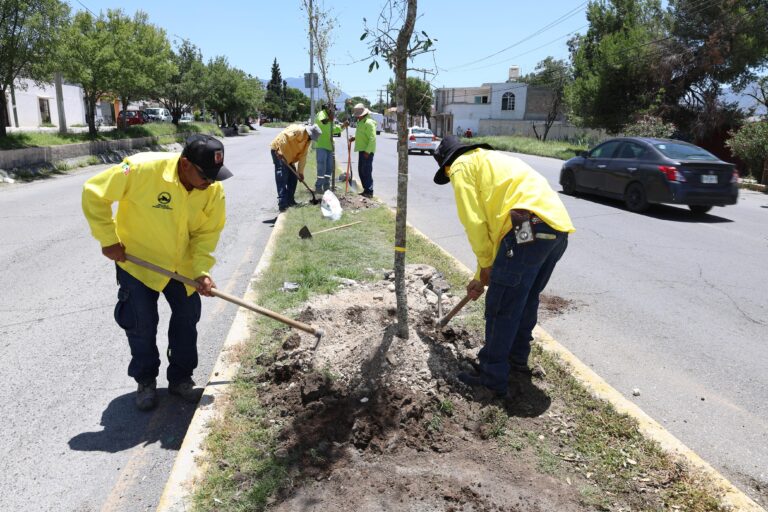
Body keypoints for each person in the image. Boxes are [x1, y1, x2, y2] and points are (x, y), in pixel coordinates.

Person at [82, 134, 233, 411]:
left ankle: (181, 379)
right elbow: (94, 193)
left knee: (187, 319)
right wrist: (108, 239)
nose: (210, 182)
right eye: (205, 175)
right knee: (141, 324)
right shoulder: (140, 169)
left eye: (214, 176)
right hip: (140, 264)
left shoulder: (212, 190)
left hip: (182, 268)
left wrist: (201, 271)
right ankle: (146, 380)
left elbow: (206, 234)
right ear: (185, 164)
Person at [432, 135, 575, 399]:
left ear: (446, 165)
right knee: (524, 296)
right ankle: (516, 360)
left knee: (502, 305)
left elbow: (475, 224)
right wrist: (482, 274)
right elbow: (497, 232)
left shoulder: (461, 166)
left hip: (527, 225)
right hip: (553, 228)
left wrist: (487, 268)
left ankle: (491, 379)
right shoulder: (493, 160)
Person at [270, 123, 321, 212]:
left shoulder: (307, 141)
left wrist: (300, 172)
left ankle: (290, 201)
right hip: (279, 151)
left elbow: (303, 156)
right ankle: (283, 204)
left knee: (293, 178)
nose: (310, 139)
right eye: (311, 137)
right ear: (308, 133)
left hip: (289, 156)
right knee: (282, 177)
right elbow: (283, 136)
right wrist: (279, 150)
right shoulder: (298, 130)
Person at [348, 103, 376, 198]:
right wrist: (354, 138)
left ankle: (369, 191)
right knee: (361, 171)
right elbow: (362, 134)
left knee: (366, 171)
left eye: (358, 116)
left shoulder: (369, 122)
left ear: (363, 114)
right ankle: (366, 190)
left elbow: (372, 138)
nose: (357, 117)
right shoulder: (361, 122)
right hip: (362, 150)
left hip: (367, 151)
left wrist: (368, 151)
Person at [314, 104, 335, 193]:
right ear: (328, 108)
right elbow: (322, 122)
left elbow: (333, 129)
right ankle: (318, 187)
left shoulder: (330, 117)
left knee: (329, 168)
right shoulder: (321, 114)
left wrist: (343, 126)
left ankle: (326, 187)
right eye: (332, 109)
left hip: (329, 146)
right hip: (321, 146)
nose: (333, 111)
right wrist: (330, 118)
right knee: (321, 167)